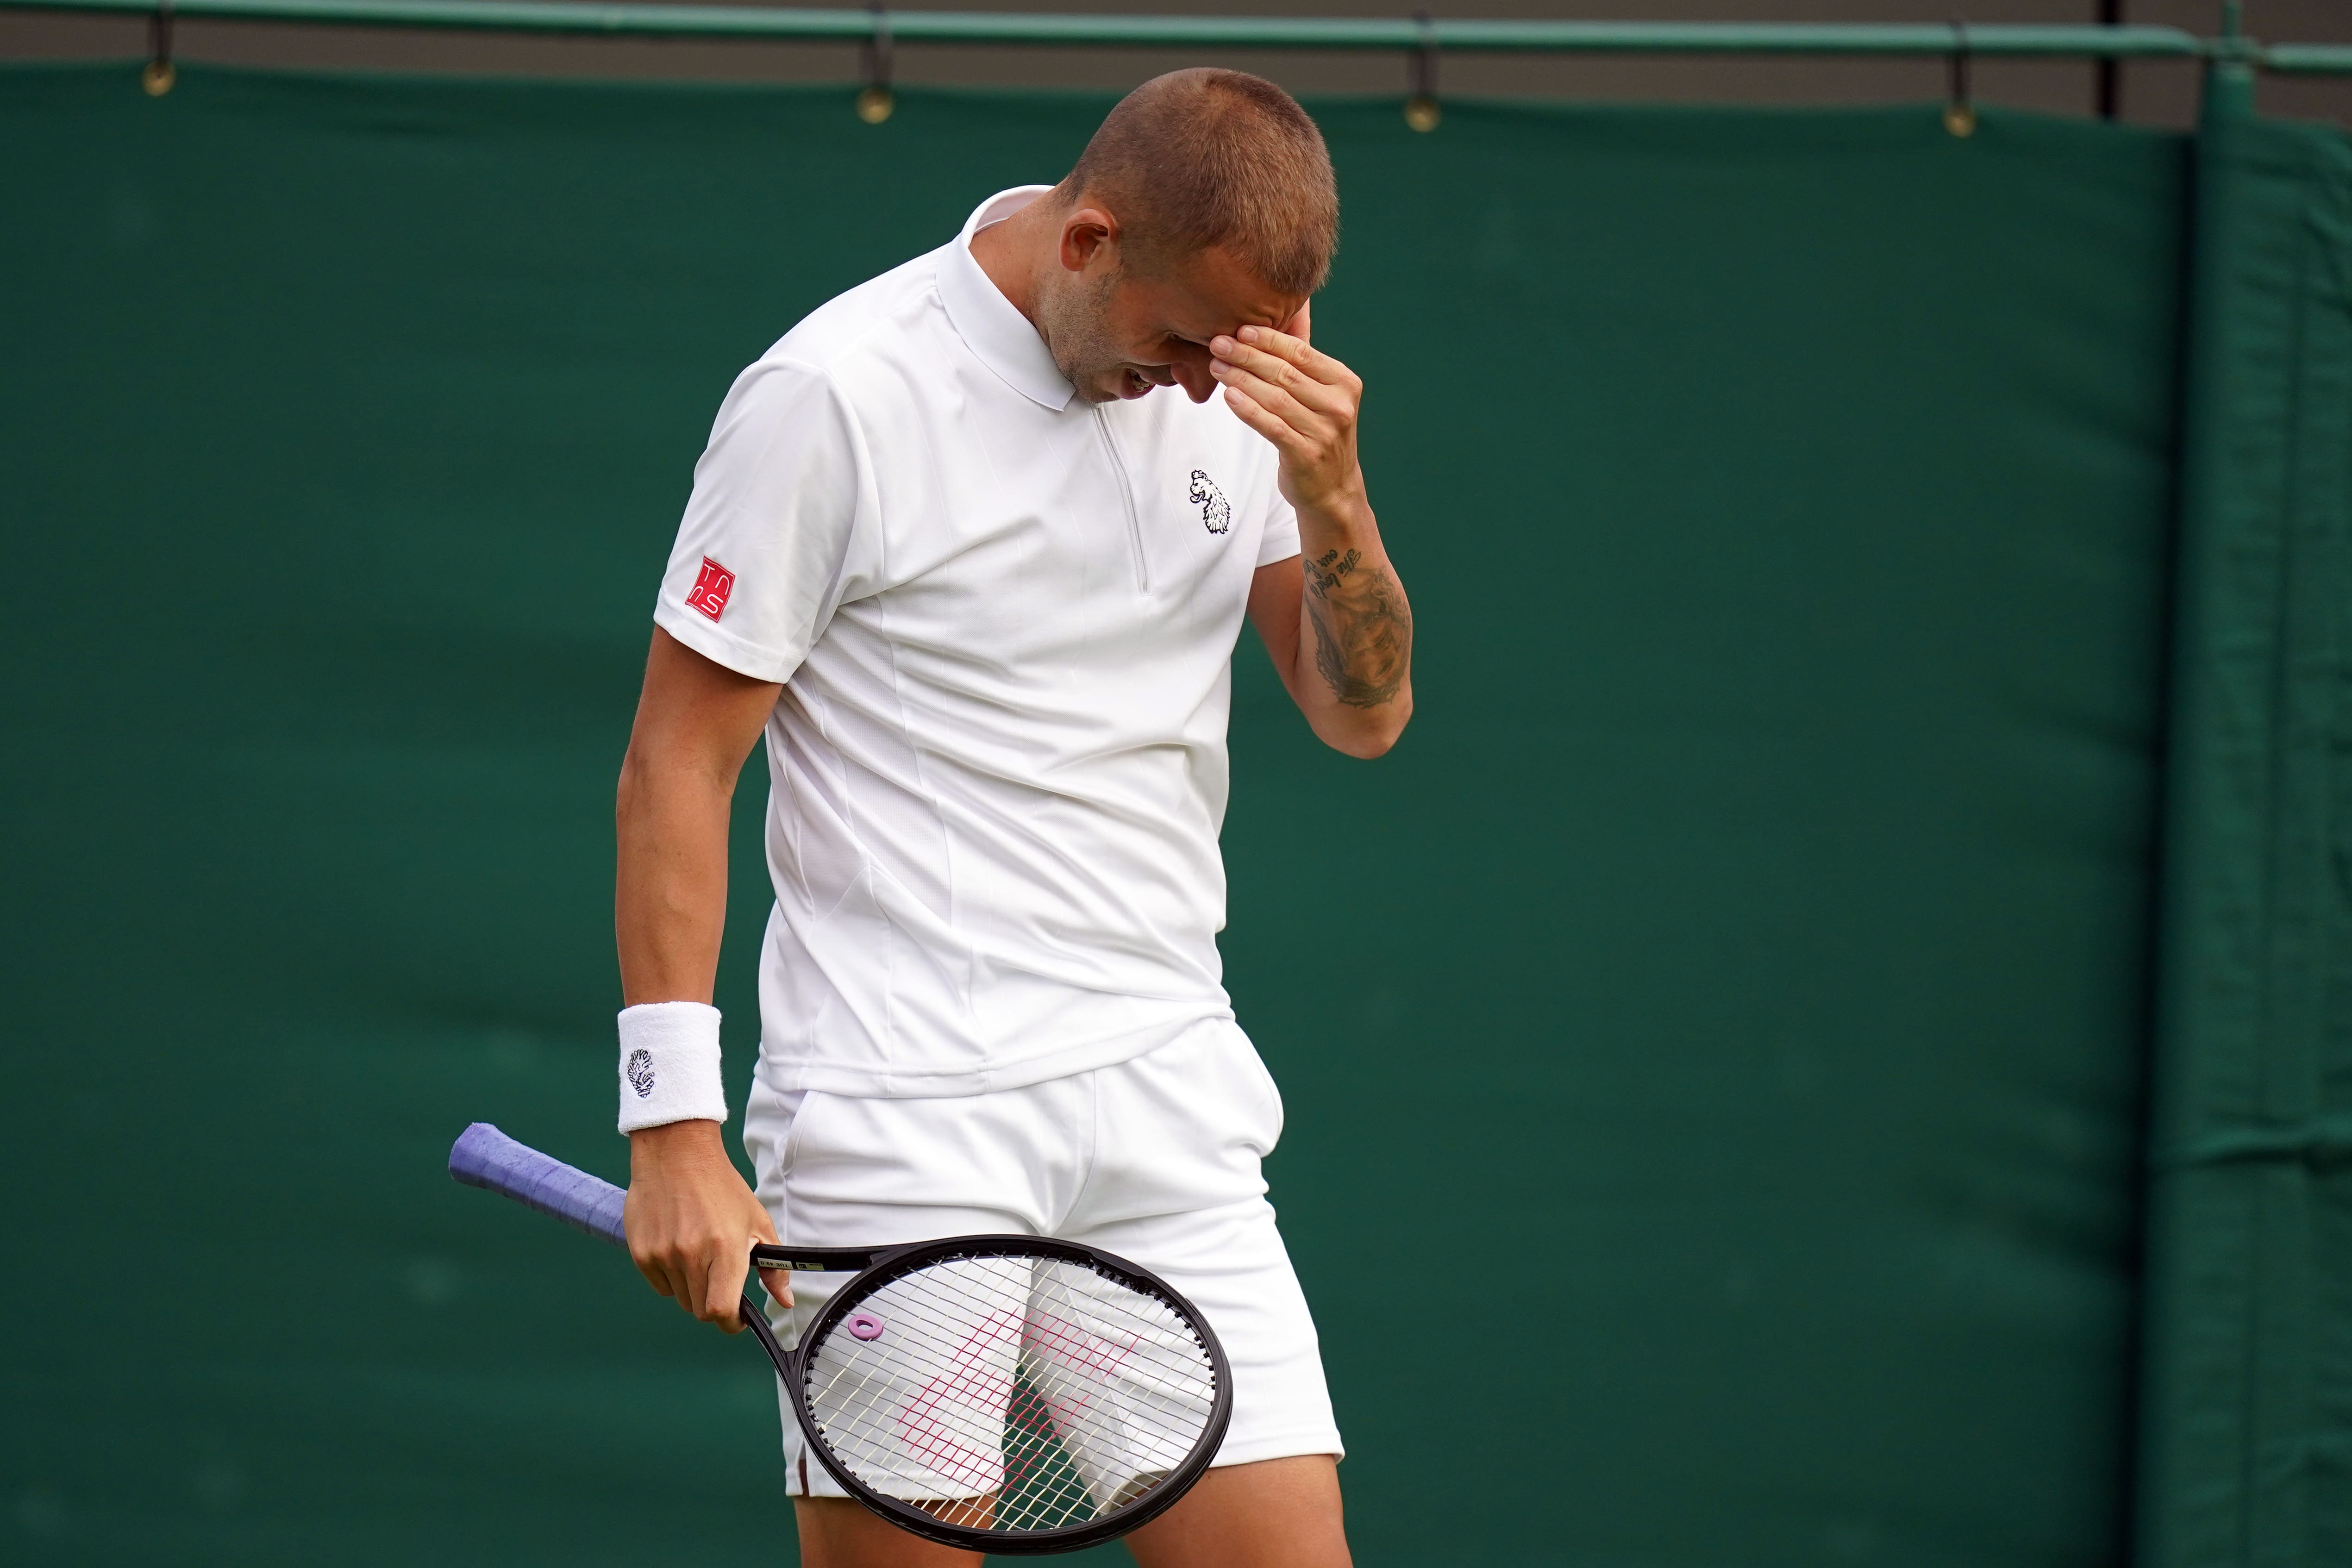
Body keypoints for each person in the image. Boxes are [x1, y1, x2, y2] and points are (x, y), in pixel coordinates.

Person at [609, 66, 1411, 1568]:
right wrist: (672, 1123)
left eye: (1236, 349)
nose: (1198, 385)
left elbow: (1362, 713)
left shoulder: (1243, 384)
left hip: (1170, 1099)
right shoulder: (834, 394)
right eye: (1179, 340)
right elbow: (678, 762)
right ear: (1091, 239)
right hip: (901, 1112)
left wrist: (1336, 499)